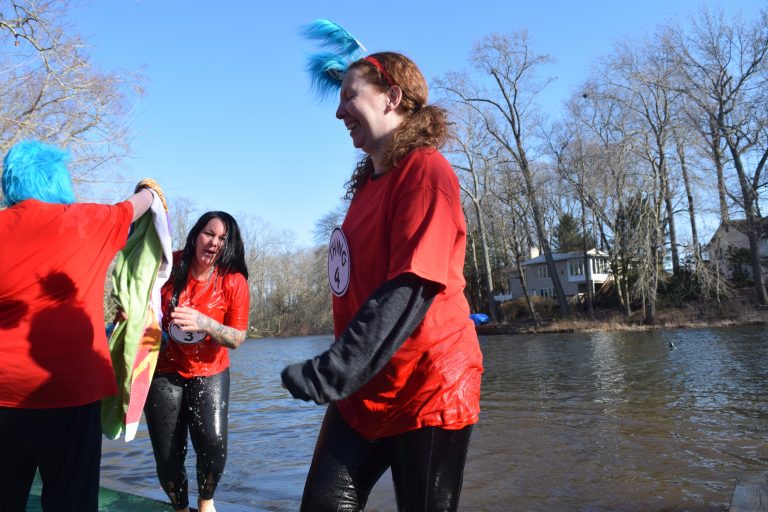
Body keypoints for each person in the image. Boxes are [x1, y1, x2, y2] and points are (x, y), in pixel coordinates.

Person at [281, 52, 483, 511]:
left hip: (427, 387)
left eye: (350, 95)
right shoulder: (368, 187)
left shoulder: (426, 173)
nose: (338, 112)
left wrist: (335, 368)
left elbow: (412, 286)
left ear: (392, 97)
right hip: (363, 391)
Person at [0, 140, 160, 511]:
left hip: (4, 394)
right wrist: (149, 191)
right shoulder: (88, 221)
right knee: (70, 502)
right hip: (71, 394)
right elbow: (139, 205)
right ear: (58, 180)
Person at [144, 211, 250, 512]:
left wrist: (205, 322)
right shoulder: (169, 266)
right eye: (208, 233)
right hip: (164, 369)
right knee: (167, 457)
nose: (214, 242)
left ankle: (206, 503)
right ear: (195, 235)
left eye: (222, 239)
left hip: (210, 371)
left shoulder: (233, 280)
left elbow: (237, 338)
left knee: (213, 445)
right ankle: (180, 507)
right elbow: (141, 302)